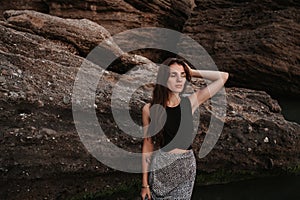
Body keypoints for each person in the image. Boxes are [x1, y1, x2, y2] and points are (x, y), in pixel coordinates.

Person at [141, 58, 229, 200]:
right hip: (161, 168)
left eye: (182, 75)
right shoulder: (149, 109)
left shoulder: (191, 102)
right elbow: (147, 146)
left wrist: (192, 72)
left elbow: (223, 77)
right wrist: (144, 184)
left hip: (185, 167)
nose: (179, 80)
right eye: (173, 75)